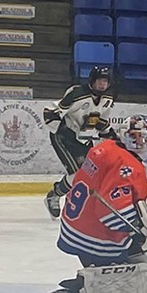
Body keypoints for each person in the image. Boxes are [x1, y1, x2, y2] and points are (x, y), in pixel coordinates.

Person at [39, 115, 147, 293]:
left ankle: (94, 274)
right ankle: (89, 288)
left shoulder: (106, 148)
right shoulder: (129, 165)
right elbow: (111, 214)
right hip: (94, 239)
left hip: (74, 228)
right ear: (133, 138)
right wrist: (140, 233)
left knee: (144, 239)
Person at [42, 66, 116, 219]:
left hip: (83, 139)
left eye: (106, 81)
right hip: (63, 137)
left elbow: (102, 123)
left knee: (89, 174)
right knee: (77, 174)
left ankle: (66, 198)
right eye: (100, 81)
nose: (103, 85)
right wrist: (61, 128)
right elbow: (51, 112)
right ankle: (54, 196)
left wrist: (113, 138)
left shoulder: (107, 99)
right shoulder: (77, 94)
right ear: (92, 80)